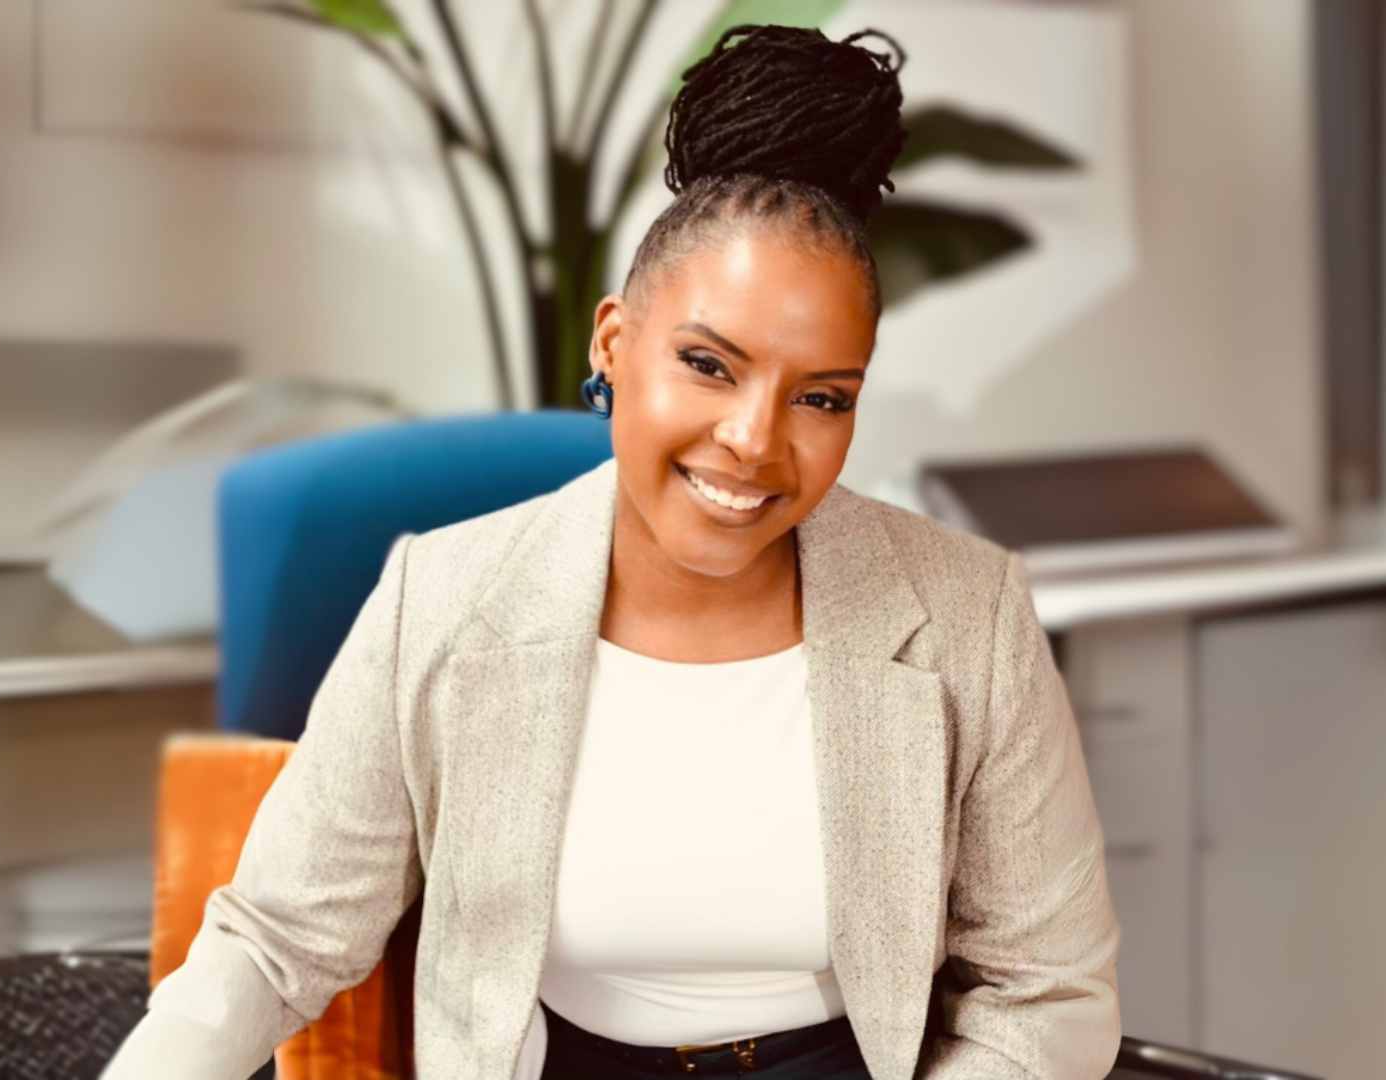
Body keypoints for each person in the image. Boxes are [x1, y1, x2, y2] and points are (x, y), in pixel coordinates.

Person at [103, 23, 1120, 1080]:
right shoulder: (439, 598)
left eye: (821, 398)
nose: (754, 441)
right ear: (613, 343)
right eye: (708, 365)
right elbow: (276, 942)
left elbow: (1045, 992)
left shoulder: (967, 616)